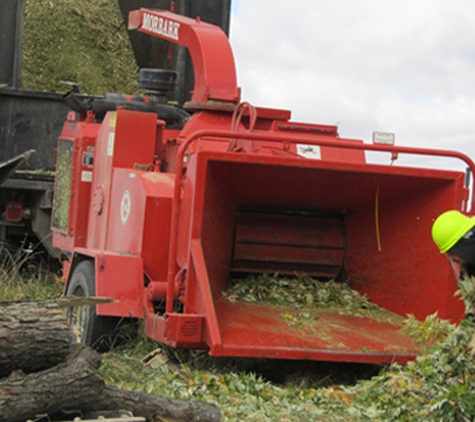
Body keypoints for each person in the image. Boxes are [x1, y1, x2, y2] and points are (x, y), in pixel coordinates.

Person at [432, 210, 475, 319]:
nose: (449, 258)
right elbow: (471, 306)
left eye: (452, 252)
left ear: (464, 247)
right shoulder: (467, 268)